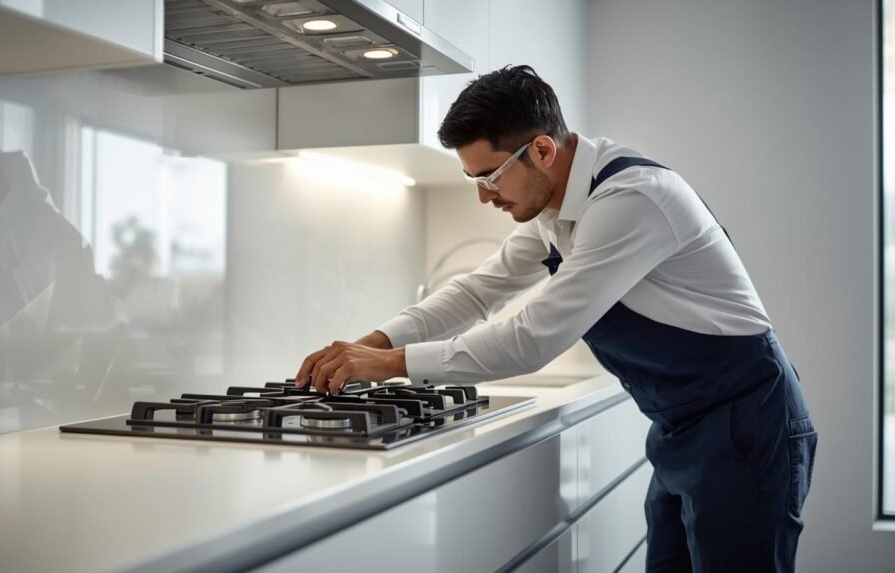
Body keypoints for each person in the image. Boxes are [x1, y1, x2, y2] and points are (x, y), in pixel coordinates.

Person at [294, 65, 816, 572]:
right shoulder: (557, 211)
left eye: (490, 177)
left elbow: (532, 339)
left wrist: (390, 364)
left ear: (542, 150)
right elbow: (478, 292)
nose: (483, 196)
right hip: (682, 428)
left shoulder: (631, 200)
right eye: (473, 179)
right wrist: (371, 343)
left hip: (745, 422)